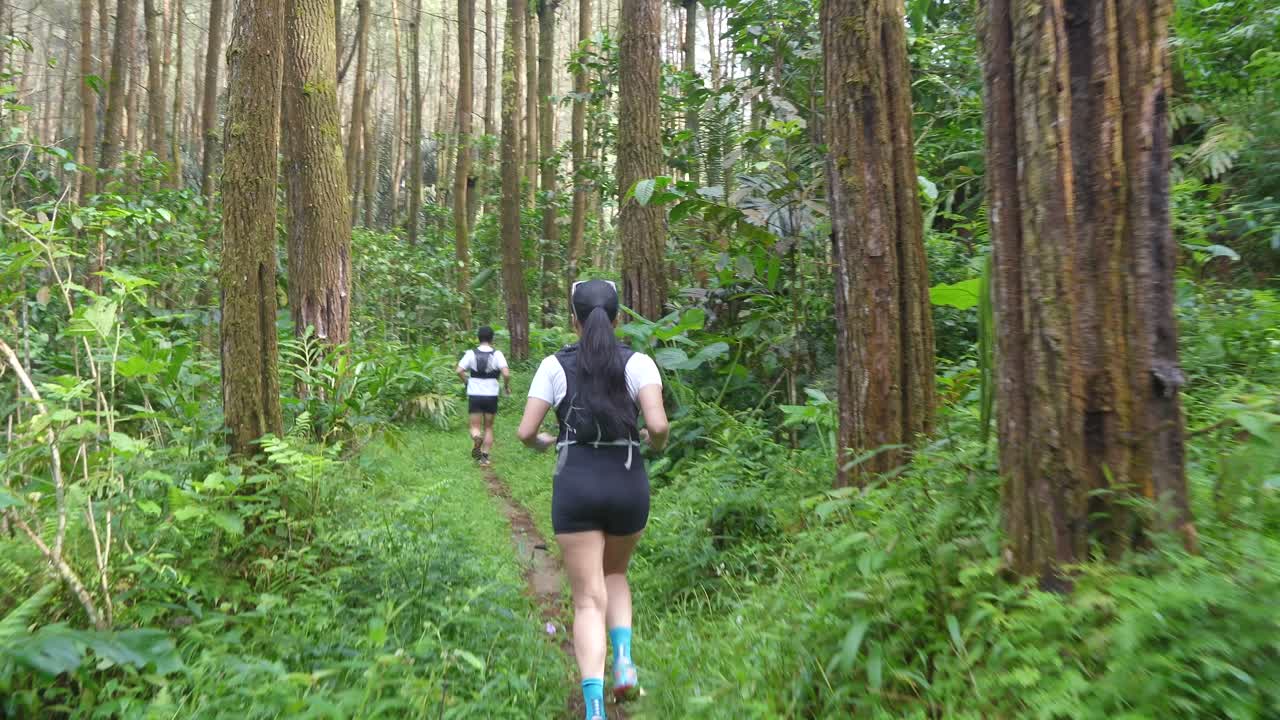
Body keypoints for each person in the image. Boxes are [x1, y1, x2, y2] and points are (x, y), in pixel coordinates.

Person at [516, 280, 669, 720]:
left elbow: (525, 432)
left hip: (576, 484)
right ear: (618, 317)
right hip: (627, 483)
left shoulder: (553, 365)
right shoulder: (639, 363)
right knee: (616, 573)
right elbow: (658, 427)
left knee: (587, 600)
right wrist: (651, 441)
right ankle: (623, 661)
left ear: (574, 319)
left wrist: (545, 442)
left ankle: (596, 707)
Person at [456, 326, 511, 466]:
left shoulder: (470, 353)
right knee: (488, 427)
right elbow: (506, 373)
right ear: (492, 338)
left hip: (475, 394)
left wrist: (467, 382)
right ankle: (485, 458)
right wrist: (505, 386)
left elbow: (459, 370)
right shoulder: (497, 354)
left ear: (478, 338)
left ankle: (476, 437)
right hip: (491, 395)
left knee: (475, 426)